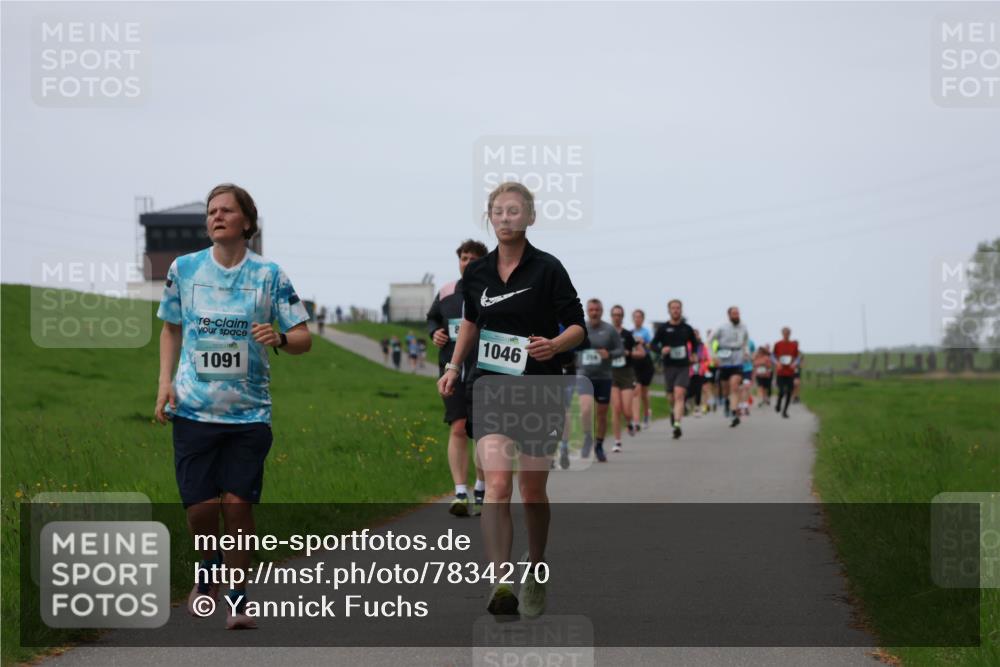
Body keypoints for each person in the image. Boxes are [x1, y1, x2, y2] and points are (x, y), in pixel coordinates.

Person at [155, 183, 311, 630]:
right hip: (192, 409)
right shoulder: (183, 269)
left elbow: (304, 338)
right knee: (201, 509)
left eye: (226, 210)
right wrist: (164, 384)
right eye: (210, 211)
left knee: (238, 506)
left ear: (246, 220)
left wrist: (279, 337)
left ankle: (239, 599)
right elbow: (170, 329)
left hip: (249, 414)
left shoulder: (270, 275)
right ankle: (208, 572)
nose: (216, 217)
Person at [438, 181, 585, 619]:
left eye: (515, 211)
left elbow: (577, 326)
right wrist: (452, 368)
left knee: (532, 490)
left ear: (530, 217)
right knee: (498, 485)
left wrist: (556, 346)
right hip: (490, 387)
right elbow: (470, 325)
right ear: (490, 217)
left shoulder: (548, 269)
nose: (506, 218)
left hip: (539, 388)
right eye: (498, 211)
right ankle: (500, 580)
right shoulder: (476, 273)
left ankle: (536, 567)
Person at [427, 239, 489, 516]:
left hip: (484, 371)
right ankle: (460, 491)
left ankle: (482, 486)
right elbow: (433, 319)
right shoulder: (446, 292)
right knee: (458, 427)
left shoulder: (494, 292)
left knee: (483, 432)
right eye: (465, 258)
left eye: (474, 259)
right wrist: (434, 333)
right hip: (452, 370)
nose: (468, 263)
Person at [577, 299, 623, 462]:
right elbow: (571, 346)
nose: (594, 312)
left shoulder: (609, 330)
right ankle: (588, 438)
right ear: (587, 311)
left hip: (604, 377)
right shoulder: (581, 328)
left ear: (601, 311)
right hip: (584, 375)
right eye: (591, 310)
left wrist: (609, 354)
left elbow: (620, 350)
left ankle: (599, 445)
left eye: (597, 310)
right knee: (586, 410)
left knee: (602, 414)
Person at [650, 299, 698, 440]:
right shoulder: (663, 328)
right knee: (671, 397)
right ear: (669, 310)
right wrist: (661, 349)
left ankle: (677, 424)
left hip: (683, 365)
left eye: (678, 308)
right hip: (669, 366)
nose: (676, 310)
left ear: (681, 310)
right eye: (673, 308)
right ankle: (673, 412)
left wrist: (694, 354)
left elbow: (694, 344)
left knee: (679, 394)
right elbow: (653, 344)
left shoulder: (687, 328)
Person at [710, 307, 750, 428]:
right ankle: (727, 402)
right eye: (734, 313)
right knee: (726, 388)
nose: (736, 315)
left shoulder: (743, 326)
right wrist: (713, 356)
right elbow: (710, 340)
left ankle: (734, 414)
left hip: (737, 358)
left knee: (735, 386)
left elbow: (746, 341)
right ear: (729, 315)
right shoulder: (721, 327)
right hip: (724, 359)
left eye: (737, 313)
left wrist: (746, 351)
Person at [609, 305, 636, 452]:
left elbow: (639, 352)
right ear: (611, 316)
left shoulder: (628, 334)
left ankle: (630, 422)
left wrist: (628, 353)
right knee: (616, 408)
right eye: (614, 314)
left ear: (622, 317)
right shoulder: (606, 332)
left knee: (626, 409)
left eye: (619, 315)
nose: (617, 317)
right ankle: (617, 441)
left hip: (626, 373)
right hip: (611, 372)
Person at [630, 309, 654, 430]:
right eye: (635, 317)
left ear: (643, 319)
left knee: (644, 393)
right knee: (636, 391)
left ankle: (646, 414)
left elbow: (652, 346)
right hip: (634, 364)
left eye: (639, 317)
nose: (637, 319)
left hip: (646, 363)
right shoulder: (630, 332)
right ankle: (636, 421)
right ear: (632, 319)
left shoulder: (647, 332)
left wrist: (643, 342)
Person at [773, 327, 801, 418]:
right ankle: (778, 404)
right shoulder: (777, 344)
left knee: (789, 392)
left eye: (788, 333)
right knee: (781, 391)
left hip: (790, 372)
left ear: (790, 334)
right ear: (782, 334)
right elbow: (772, 356)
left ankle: (785, 411)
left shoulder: (793, 345)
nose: (786, 335)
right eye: (785, 333)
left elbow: (797, 357)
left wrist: (794, 364)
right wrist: (777, 363)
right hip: (780, 372)